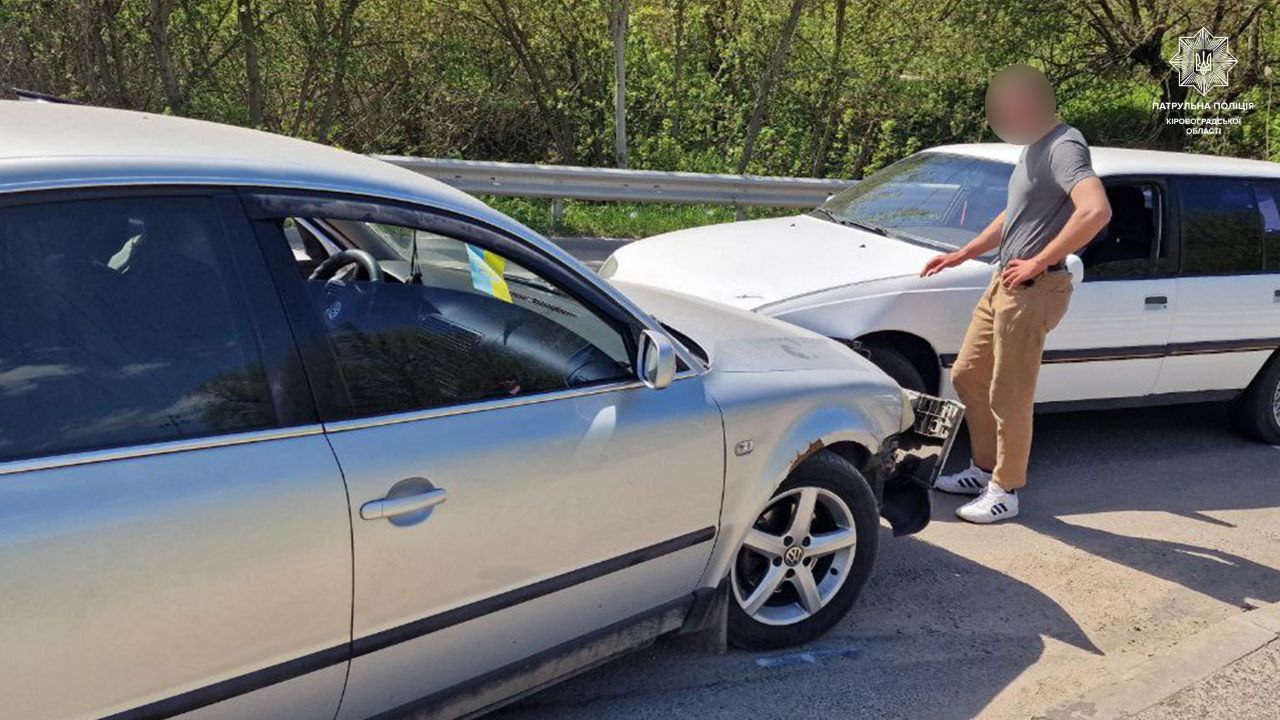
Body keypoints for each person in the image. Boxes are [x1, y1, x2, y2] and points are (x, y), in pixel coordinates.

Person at [920, 65, 1112, 524]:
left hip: (1033, 288)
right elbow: (1014, 215)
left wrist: (1040, 259)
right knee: (968, 374)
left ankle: (1006, 491)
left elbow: (1096, 210)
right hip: (1003, 281)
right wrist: (964, 251)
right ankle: (983, 470)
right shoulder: (1032, 148)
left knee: (1010, 393)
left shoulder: (1064, 146)